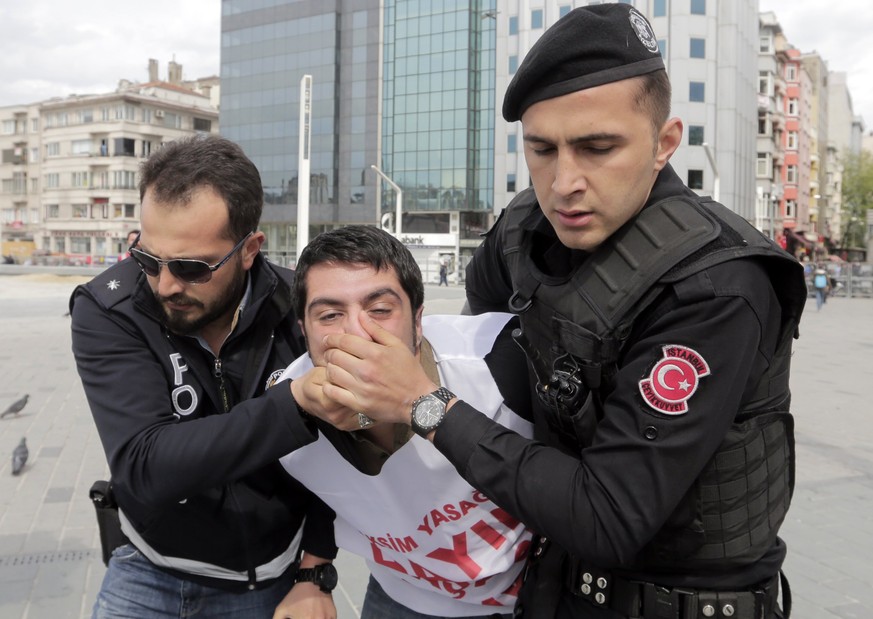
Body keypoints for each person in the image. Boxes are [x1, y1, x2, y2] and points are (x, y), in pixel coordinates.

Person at [316, 6, 808, 619]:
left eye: (597, 147)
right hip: (545, 583)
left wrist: (425, 405)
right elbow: (489, 360)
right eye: (542, 149)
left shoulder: (715, 285)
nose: (563, 181)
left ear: (665, 144)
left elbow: (609, 517)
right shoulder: (525, 227)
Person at [70, 135, 338, 618]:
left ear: (250, 248)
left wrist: (315, 570)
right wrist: (295, 404)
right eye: (148, 259)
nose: (166, 285)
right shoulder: (108, 308)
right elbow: (145, 465)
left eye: (192, 268)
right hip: (149, 571)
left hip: (279, 578)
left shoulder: (299, 305)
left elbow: (341, 453)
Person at [274, 225, 534, 619]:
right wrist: (313, 573)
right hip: (402, 596)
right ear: (304, 333)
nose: (357, 333)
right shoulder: (285, 415)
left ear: (418, 320)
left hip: (534, 590)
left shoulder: (497, 361)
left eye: (379, 310)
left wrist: (417, 402)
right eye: (329, 315)